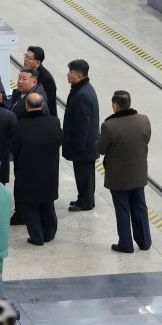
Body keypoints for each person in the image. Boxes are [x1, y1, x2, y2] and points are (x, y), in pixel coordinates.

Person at [97, 91, 152, 253]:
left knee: (122, 210)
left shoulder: (109, 126)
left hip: (118, 178)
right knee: (140, 207)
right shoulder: (144, 120)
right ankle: (144, 242)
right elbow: (146, 138)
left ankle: (126, 244)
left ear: (115, 106)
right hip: (138, 173)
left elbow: (101, 149)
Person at [9, 94, 62, 246]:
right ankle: (49, 233)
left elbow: (13, 148)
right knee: (48, 203)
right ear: (43, 105)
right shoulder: (54, 122)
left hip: (28, 172)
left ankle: (36, 237)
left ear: (26, 106)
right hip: (49, 171)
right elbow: (59, 140)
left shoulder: (20, 126)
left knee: (30, 206)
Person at [63, 59, 100, 212]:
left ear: (79, 76)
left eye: (70, 72)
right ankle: (85, 198)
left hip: (83, 145)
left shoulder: (82, 95)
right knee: (86, 175)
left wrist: (78, 146)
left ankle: (85, 202)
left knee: (84, 175)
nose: (68, 74)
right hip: (87, 144)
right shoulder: (83, 89)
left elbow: (82, 124)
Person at [23, 46, 57, 117]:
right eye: (25, 56)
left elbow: (46, 103)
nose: (25, 60)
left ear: (37, 62)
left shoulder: (46, 79)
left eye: (29, 58)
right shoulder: (27, 72)